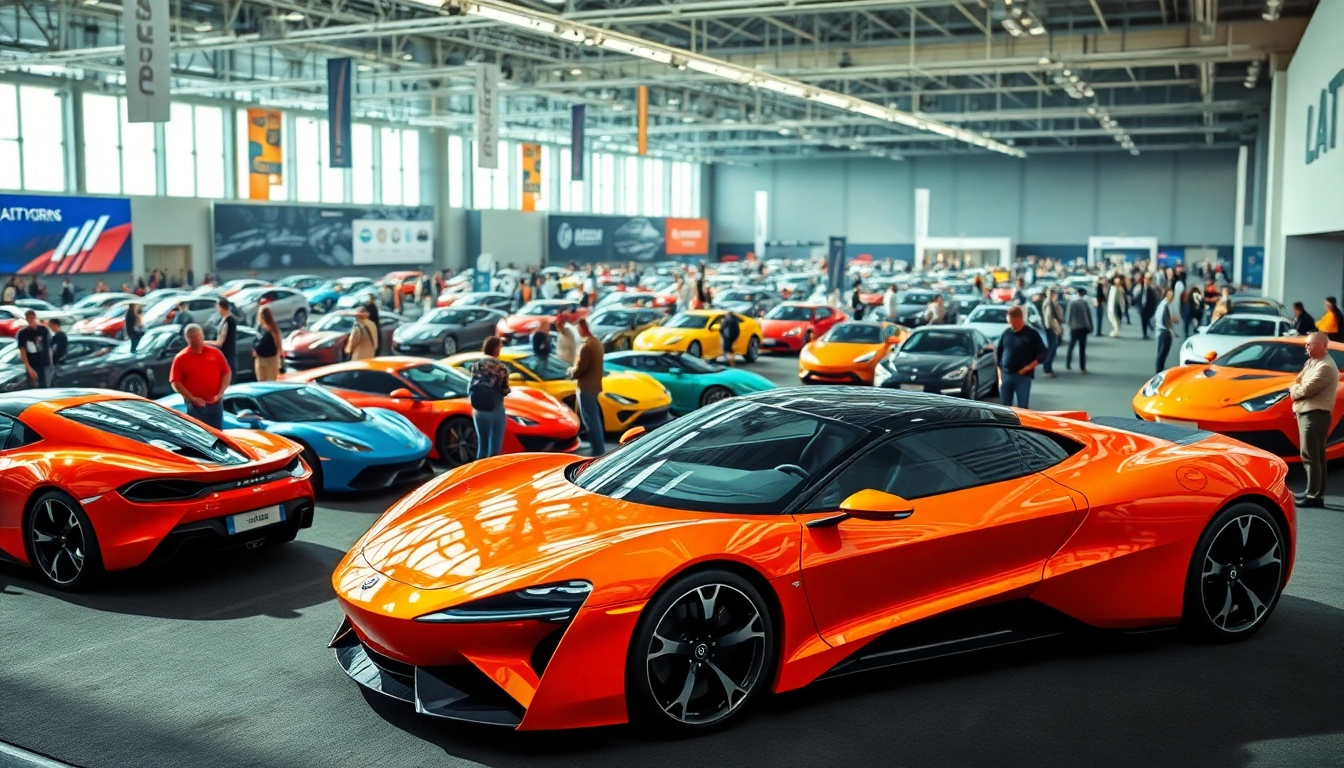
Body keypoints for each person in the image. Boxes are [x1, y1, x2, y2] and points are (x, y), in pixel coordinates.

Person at [1291, 332, 1338, 508]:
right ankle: (1314, 491)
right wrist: (1296, 388)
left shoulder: (1324, 367)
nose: (1306, 347)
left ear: (1321, 345)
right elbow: (1297, 381)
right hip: (1308, 412)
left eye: (1309, 344)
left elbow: (1304, 389)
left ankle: (1314, 496)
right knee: (1315, 455)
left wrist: (1294, 391)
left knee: (1311, 455)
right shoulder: (1312, 362)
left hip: (1315, 415)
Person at [169, 324, 231, 429]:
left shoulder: (214, 353)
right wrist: (192, 398)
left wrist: (220, 393)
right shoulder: (181, 358)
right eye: (194, 337)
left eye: (199, 336)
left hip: (216, 403)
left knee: (218, 435)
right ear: (188, 339)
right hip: (195, 406)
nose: (198, 339)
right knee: (200, 436)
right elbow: (175, 382)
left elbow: (226, 372)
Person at [468, 336, 511, 460]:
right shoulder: (500, 367)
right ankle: (491, 476)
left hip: (478, 409)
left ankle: (478, 473)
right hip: (495, 408)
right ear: (495, 349)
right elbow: (504, 389)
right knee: (494, 450)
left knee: (482, 446)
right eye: (499, 347)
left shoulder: (476, 365)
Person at [997, 305, 1047, 409]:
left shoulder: (1031, 334)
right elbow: (999, 355)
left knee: (1022, 409)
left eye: (1011, 321)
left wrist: (1029, 367)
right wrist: (1000, 378)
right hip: (1006, 375)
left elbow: (1043, 353)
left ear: (1018, 319)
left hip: (1022, 377)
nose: (1009, 324)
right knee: (1005, 409)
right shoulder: (1007, 333)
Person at [569, 319, 606, 456]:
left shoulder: (585, 346)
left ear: (581, 328)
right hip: (595, 385)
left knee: (590, 419)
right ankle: (598, 446)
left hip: (585, 387)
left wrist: (571, 371)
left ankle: (597, 450)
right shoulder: (597, 342)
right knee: (593, 418)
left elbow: (580, 368)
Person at [16, 310, 53, 388]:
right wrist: (28, 367)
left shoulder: (43, 330)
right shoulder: (23, 333)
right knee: (34, 388)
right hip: (32, 364)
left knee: (46, 387)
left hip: (44, 364)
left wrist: (51, 363)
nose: (31, 320)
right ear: (26, 319)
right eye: (29, 318)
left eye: (32, 318)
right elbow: (22, 350)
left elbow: (48, 347)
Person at [1065, 287, 1093, 373]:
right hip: (1083, 328)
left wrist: (1069, 325)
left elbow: (1068, 316)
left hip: (1074, 328)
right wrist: (1090, 326)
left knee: (1071, 346)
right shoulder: (1084, 303)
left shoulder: (1072, 303)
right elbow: (1089, 316)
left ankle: (1068, 364)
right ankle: (1082, 367)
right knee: (1082, 348)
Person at [253, 305, 283, 381]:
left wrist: (279, 360)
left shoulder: (273, 329)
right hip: (260, 359)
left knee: (271, 381)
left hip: (270, 360)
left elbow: (278, 344)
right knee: (261, 381)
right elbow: (257, 339)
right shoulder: (260, 327)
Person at [209, 298, 238, 377]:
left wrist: (205, 342)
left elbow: (220, 342)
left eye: (218, 307)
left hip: (228, 356)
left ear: (222, 307)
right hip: (223, 355)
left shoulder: (229, 321)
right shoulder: (223, 320)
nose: (218, 310)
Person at [1040, 287, 1064, 378]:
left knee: (1053, 349)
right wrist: (1053, 328)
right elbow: (1049, 318)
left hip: (1052, 328)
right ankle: (1047, 369)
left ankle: (1048, 368)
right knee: (1051, 349)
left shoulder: (1052, 303)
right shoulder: (1048, 303)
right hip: (1051, 329)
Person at [1154, 288, 1176, 373]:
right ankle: (1159, 370)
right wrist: (1170, 328)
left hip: (1163, 330)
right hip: (1163, 331)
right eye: (1170, 296)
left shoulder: (1164, 304)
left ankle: (1160, 369)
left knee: (1163, 352)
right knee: (1162, 352)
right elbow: (1164, 319)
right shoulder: (1164, 305)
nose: (1172, 298)